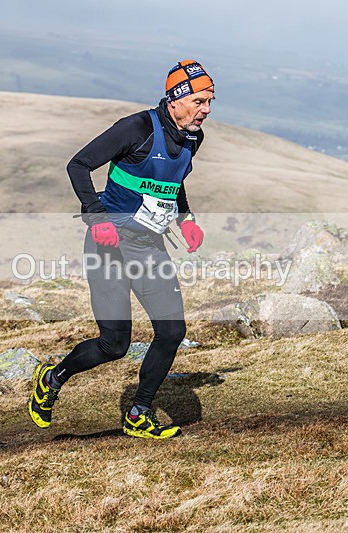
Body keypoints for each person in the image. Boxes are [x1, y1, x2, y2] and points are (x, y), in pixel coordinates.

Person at [29, 60, 213, 439]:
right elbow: (78, 165)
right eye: (199, 101)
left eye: (210, 101)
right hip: (108, 246)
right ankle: (53, 377)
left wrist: (186, 219)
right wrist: (98, 219)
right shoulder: (136, 129)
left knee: (172, 330)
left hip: (148, 247)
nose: (206, 110)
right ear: (176, 99)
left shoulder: (193, 138)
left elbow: (171, 181)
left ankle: (139, 412)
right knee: (114, 343)